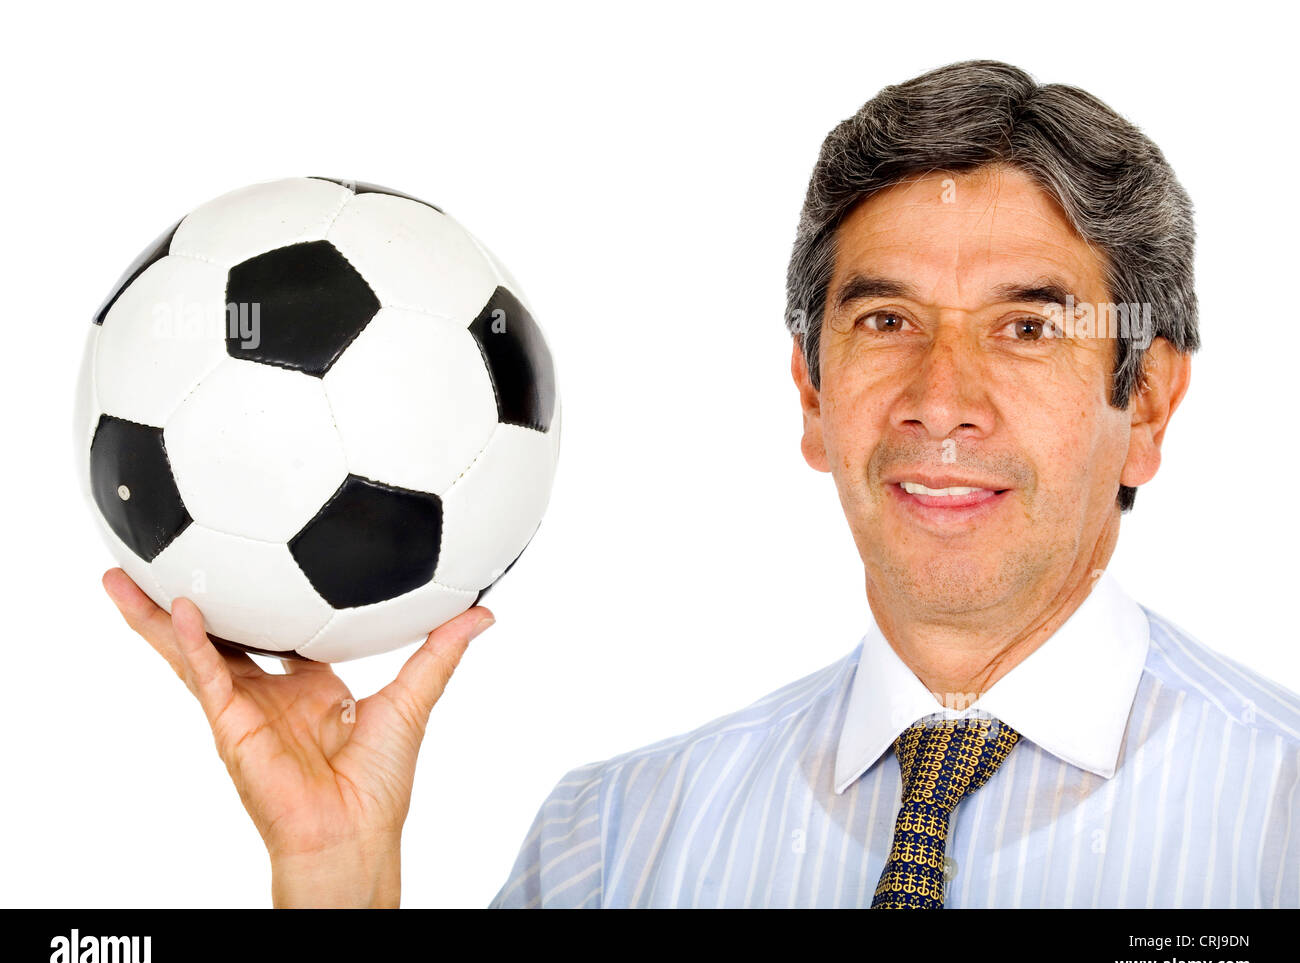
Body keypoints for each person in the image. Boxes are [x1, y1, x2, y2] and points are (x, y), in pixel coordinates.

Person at [102, 59, 1300, 908]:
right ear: (812, 396)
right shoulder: (610, 846)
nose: (944, 398)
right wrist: (337, 876)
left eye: (1026, 330)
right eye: (885, 319)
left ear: (1143, 403)